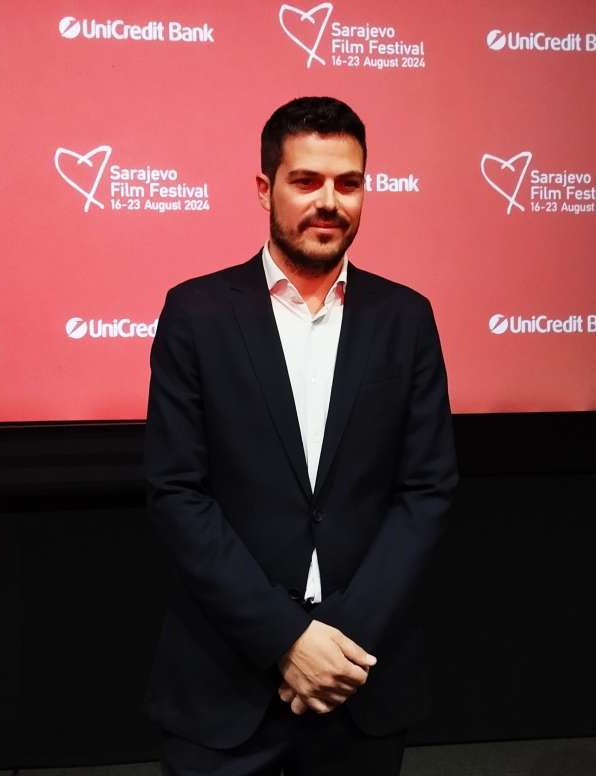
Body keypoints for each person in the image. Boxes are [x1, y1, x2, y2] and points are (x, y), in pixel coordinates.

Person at [144, 96, 458, 775]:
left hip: (359, 679)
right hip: (224, 684)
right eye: (307, 181)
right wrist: (286, 639)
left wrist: (334, 643)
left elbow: (427, 491)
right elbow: (177, 492)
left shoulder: (406, 319)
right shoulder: (196, 313)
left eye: (348, 183)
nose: (329, 202)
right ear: (265, 188)